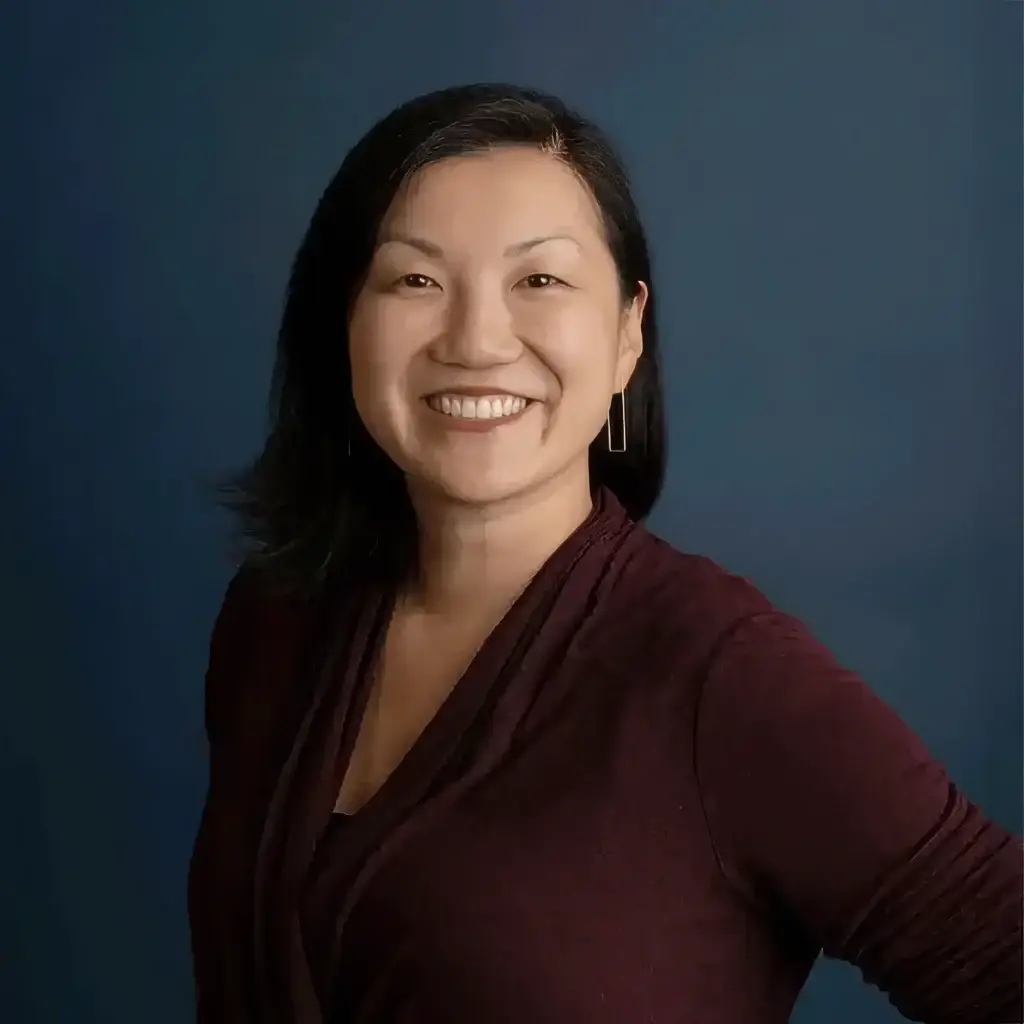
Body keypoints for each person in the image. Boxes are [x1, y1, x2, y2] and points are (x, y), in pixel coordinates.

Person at [188, 83, 1023, 1024]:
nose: (474, 340)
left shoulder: (725, 679)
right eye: (415, 280)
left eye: (539, 281)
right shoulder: (277, 615)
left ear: (628, 332)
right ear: (346, 321)